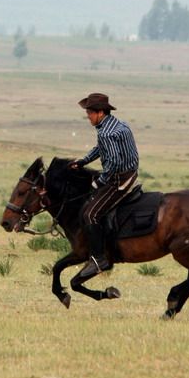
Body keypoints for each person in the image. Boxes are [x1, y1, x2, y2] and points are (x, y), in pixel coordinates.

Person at [69, 92, 139, 277]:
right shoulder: (117, 124)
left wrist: (101, 181)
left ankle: (99, 258)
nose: (88, 117)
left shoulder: (107, 132)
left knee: (90, 214)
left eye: (90, 113)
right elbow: (102, 149)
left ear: (100, 112)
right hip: (129, 171)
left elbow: (114, 162)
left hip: (120, 179)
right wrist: (84, 161)